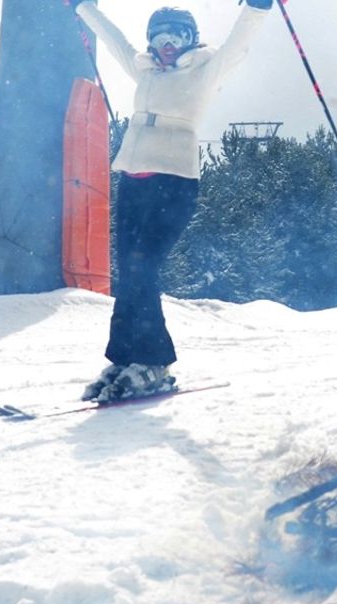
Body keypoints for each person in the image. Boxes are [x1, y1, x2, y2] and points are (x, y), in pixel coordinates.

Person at [73, 0, 273, 403]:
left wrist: (258, 8)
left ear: (190, 40)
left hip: (174, 180)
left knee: (144, 266)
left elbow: (240, 43)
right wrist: (82, 7)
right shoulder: (143, 70)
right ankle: (125, 356)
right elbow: (114, 40)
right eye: (160, 37)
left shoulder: (205, 69)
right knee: (128, 271)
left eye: (176, 36)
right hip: (134, 177)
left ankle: (154, 361)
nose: (167, 44)